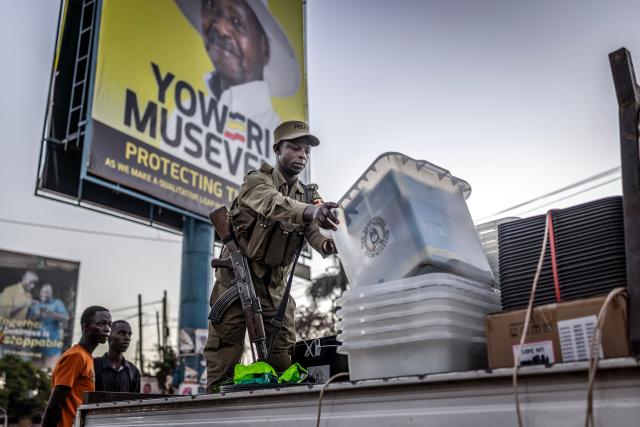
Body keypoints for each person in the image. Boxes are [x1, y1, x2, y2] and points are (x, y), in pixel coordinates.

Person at [204, 120, 339, 392]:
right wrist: (311, 212)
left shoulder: (308, 195)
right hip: (237, 277)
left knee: (283, 362)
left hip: (274, 286)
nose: (302, 155)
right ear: (278, 149)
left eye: (306, 151)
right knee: (225, 354)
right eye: (295, 148)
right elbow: (272, 203)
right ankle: (216, 411)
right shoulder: (257, 180)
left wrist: (328, 244)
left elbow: (314, 230)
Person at [42, 306, 111, 427]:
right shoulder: (76, 356)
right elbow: (53, 406)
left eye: (109, 325)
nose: (107, 329)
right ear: (86, 327)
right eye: (101, 324)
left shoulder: (87, 357)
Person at [28, 283, 70, 369]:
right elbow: (28, 321)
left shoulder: (57, 303)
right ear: (40, 293)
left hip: (52, 347)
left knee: (51, 375)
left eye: (48, 292)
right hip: (36, 346)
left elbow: (66, 318)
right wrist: (37, 314)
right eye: (43, 292)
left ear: (51, 294)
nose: (45, 294)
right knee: (32, 373)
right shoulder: (35, 305)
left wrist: (53, 314)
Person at [93, 320, 141, 393]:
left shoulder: (133, 371)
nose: (127, 338)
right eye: (121, 333)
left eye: (129, 334)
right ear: (109, 337)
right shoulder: (93, 365)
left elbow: (135, 401)